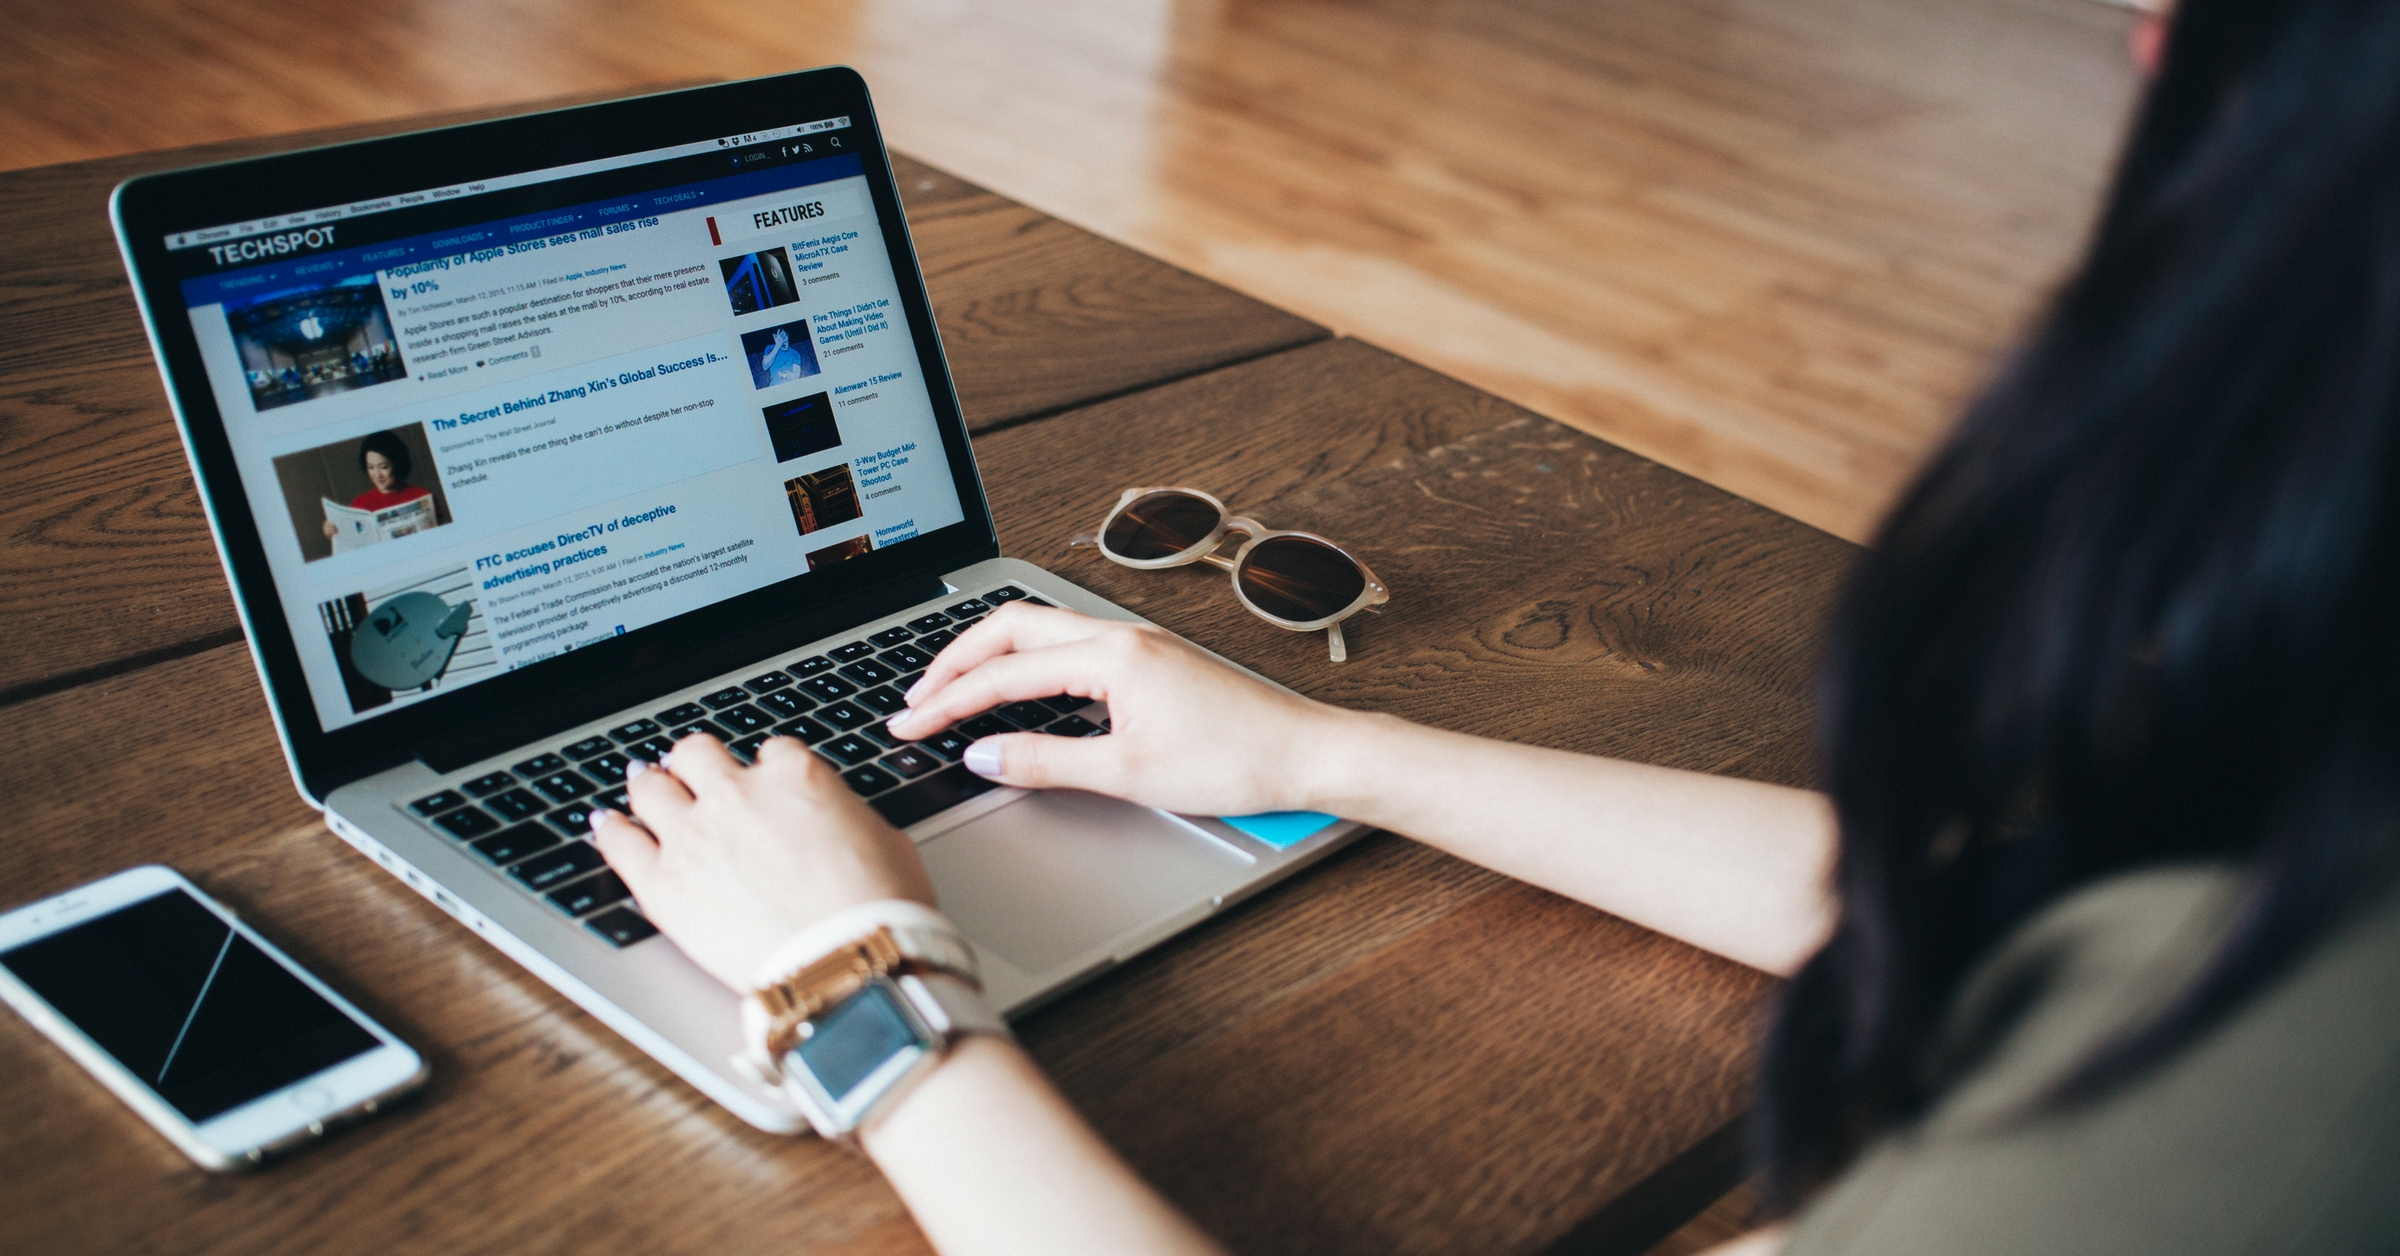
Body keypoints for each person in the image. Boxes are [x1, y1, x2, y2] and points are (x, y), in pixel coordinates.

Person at [588, 1, 2400, 1251]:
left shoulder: (2310, 1069)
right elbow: (1968, 892)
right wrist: (1315, 750)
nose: (2133, 43)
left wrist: (858, 996)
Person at [321, 430, 434, 539]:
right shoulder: (360, 504)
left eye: (383, 467)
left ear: (397, 464)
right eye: (371, 467)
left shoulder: (422, 496)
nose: (377, 474)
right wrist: (334, 532)